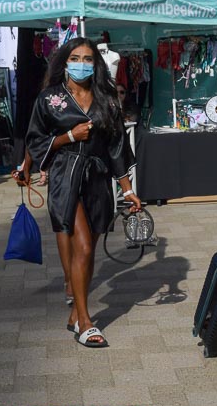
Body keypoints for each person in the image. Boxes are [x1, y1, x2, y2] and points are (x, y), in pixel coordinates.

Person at [25, 37, 141, 348]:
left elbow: (117, 146)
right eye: (75, 58)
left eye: (88, 59)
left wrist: (128, 190)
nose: (81, 64)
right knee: (85, 247)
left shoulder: (107, 99)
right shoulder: (49, 98)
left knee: (87, 253)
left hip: (98, 178)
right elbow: (35, 140)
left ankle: (76, 312)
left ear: (96, 64)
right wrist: (68, 136)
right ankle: (86, 323)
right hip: (65, 175)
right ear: (65, 62)